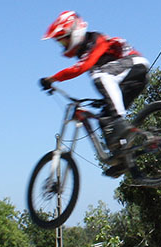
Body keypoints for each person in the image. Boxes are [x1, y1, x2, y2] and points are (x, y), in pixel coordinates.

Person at [38, 11, 149, 176]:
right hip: (126, 80)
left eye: (64, 40)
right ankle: (123, 158)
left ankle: (119, 121)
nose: (63, 46)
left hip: (134, 65)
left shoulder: (96, 40)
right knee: (105, 119)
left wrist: (53, 79)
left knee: (101, 77)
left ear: (74, 32)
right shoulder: (86, 53)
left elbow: (80, 68)